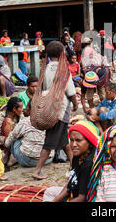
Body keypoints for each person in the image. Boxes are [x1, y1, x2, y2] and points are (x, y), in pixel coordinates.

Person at [32, 41, 78, 180]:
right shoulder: (63, 69)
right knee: (50, 141)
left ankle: (73, 165)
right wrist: (75, 105)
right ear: (61, 54)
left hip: (49, 108)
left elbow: (45, 87)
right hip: (60, 109)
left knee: (64, 141)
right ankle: (37, 170)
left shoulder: (45, 69)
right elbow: (70, 91)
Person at [44, 120, 100, 202]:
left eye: (78, 140)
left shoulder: (89, 163)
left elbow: (82, 198)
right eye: (71, 140)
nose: (73, 144)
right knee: (49, 192)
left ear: (89, 141)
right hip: (74, 194)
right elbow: (70, 185)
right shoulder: (78, 155)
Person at [4, 100, 53, 168]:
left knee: (15, 138)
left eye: (26, 107)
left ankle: (12, 159)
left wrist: (6, 147)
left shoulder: (25, 122)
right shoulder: (51, 119)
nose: (24, 109)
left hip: (29, 161)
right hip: (48, 159)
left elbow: (10, 139)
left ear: (30, 110)